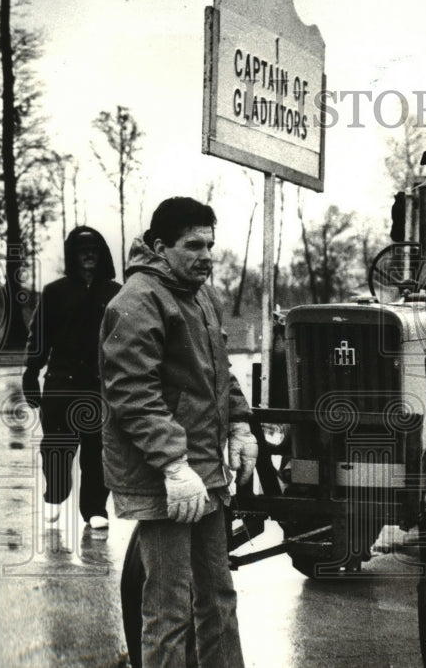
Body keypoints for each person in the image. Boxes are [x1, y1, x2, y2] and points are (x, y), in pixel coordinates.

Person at [99, 197, 258, 667]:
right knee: (168, 608)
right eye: (193, 245)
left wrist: (241, 424)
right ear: (159, 246)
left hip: (204, 473)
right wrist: (172, 463)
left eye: (210, 244)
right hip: (164, 478)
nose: (206, 256)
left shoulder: (201, 296)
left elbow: (219, 373)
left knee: (218, 598)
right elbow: (131, 391)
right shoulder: (137, 300)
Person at [22, 226, 120, 529]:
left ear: (102, 254)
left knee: (97, 450)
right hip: (61, 383)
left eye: (94, 250)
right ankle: (55, 494)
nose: (88, 255)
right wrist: (31, 372)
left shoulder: (116, 294)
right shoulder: (55, 292)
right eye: (82, 251)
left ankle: (94, 509)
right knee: (57, 446)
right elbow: (40, 335)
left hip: (98, 385)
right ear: (73, 256)